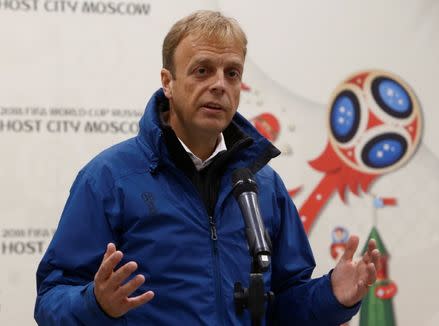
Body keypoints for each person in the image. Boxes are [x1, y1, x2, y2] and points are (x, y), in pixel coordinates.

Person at [34, 10, 380, 325]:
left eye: (232, 73)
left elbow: (285, 306)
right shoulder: (110, 179)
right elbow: (50, 300)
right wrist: (96, 303)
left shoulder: (264, 185)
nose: (219, 84)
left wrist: (333, 297)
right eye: (202, 70)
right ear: (167, 82)